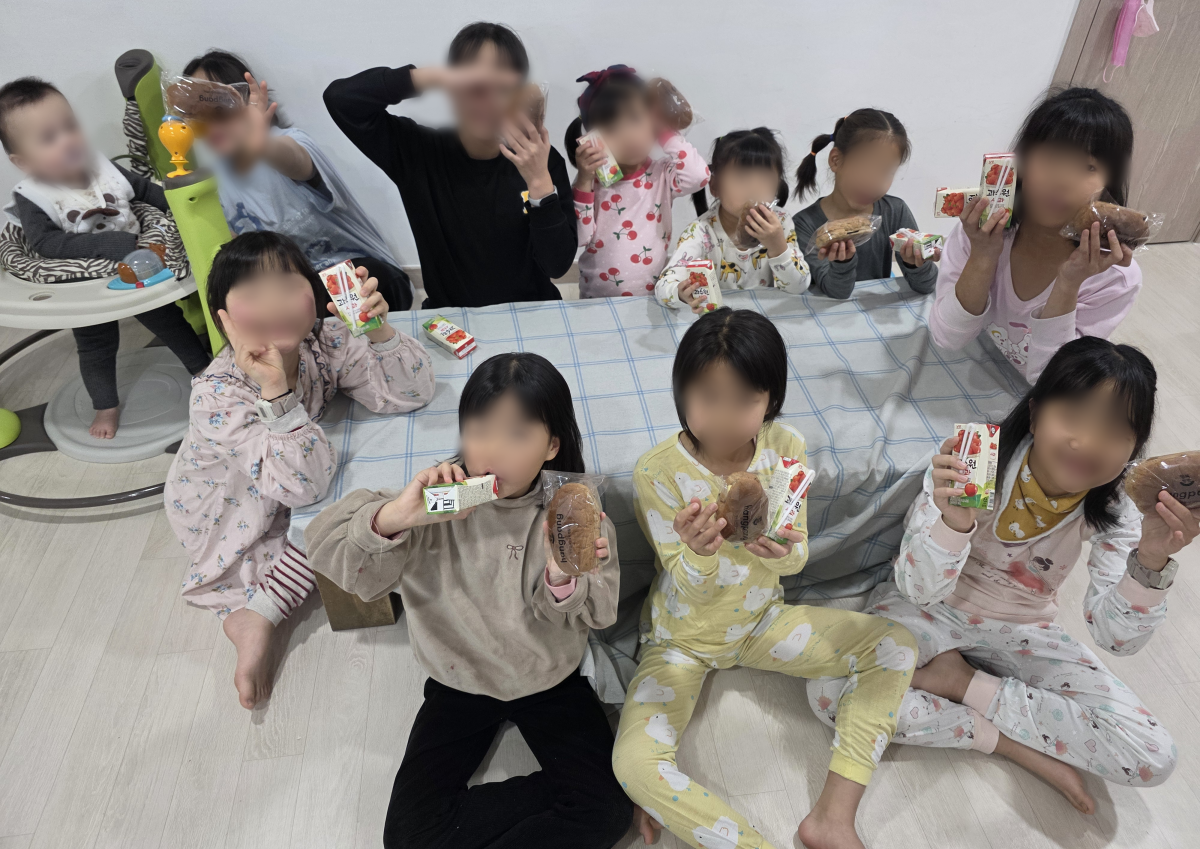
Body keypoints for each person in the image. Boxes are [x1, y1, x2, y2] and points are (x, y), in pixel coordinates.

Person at [807, 337, 1196, 814]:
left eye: (1115, 431)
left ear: (1135, 446)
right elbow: (918, 590)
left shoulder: (1117, 506)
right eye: (1073, 417)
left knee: (1152, 756)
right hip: (930, 610)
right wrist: (954, 522)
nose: (1087, 443)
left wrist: (1151, 560)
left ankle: (959, 683)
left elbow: (1115, 638)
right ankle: (1011, 744)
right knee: (829, 690)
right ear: (1035, 414)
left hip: (1022, 627)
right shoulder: (976, 459)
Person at [614, 307, 916, 849]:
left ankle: (833, 815)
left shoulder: (785, 450)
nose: (724, 417)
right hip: (681, 640)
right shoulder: (657, 473)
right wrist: (700, 554)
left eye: (745, 399)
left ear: (770, 400)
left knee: (896, 645)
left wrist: (779, 552)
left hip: (761, 623)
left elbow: (795, 561)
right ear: (681, 392)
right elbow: (685, 583)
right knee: (633, 765)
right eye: (708, 396)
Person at [304, 353, 629, 849]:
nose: (492, 450)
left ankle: (584, 794)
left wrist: (562, 576)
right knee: (408, 839)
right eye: (478, 430)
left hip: (547, 676)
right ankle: (573, 794)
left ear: (552, 445)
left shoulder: (571, 510)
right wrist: (396, 517)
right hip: (459, 678)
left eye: (517, 434)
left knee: (608, 813)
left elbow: (600, 613)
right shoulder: (438, 500)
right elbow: (331, 552)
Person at [164, 231, 433, 710]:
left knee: (359, 510)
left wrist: (378, 332)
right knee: (338, 526)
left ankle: (262, 612)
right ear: (223, 318)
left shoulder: (324, 340)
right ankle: (258, 615)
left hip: (293, 470)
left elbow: (410, 394)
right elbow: (306, 489)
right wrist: (274, 388)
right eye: (253, 294)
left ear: (316, 291)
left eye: (289, 286)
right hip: (225, 501)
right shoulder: (218, 393)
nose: (275, 306)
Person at [0, 76, 210, 439]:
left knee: (169, 321)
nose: (67, 140)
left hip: (138, 265)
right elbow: (45, 244)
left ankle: (204, 373)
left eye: (70, 126)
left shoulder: (103, 168)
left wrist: (180, 207)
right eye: (49, 138)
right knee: (95, 346)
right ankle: (105, 405)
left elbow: (144, 191)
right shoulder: (33, 195)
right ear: (24, 161)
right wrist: (110, 245)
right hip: (86, 284)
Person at [323, 22, 576, 309]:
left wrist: (539, 181)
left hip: (533, 311)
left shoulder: (541, 160)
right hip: (450, 318)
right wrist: (435, 76)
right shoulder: (419, 152)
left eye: (501, 87)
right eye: (474, 86)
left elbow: (557, 265)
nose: (487, 99)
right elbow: (341, 99)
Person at [930, 87, 1141, 382]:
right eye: (1052, 157)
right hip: (974, 370)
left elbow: (1049, 378)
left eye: (1087, 166)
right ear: (1021, 163)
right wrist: (983, 256)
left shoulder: (1113, 277)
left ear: (1109, 183)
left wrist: (1068, 283)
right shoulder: (980, 233)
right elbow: (947, 338)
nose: (1062, 180)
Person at [181, 50, 413, 312]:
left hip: (362, 275)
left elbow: (297, 162)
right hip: (292, 290)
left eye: (218, 107)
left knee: (311, 303)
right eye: (195, 110)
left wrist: (260, 144)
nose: (207, 121)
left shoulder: (287, 142)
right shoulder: (214, 179)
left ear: (246, 100)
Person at [566, 65, 709, 298]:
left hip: (651, 297)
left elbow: (699, 176)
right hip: (595, 298)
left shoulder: (662, 173)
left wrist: (665, 132)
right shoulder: (592, 183)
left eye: (636, 118)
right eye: (612, 128)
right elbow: (580, 237)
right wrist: (583, 179)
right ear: (594, 138)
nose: (628, 135)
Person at [656, 128, 809, 312]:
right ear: (715, 186)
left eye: (765, 179)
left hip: (764, 317)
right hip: (720, 319)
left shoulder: (781, 223)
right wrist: (679, 293)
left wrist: (778, 247)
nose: (754, 189)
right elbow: (663, 286)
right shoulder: (701, 232)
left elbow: (799, 286)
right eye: (741, 178)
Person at [792, 108, 937, 299]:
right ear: (836, 160)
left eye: (886, 172)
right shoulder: (805, 224)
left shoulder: (895, 211)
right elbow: (836, 292)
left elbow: (927, 286)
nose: (872, 183)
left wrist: (916, 263)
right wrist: (842, 263)